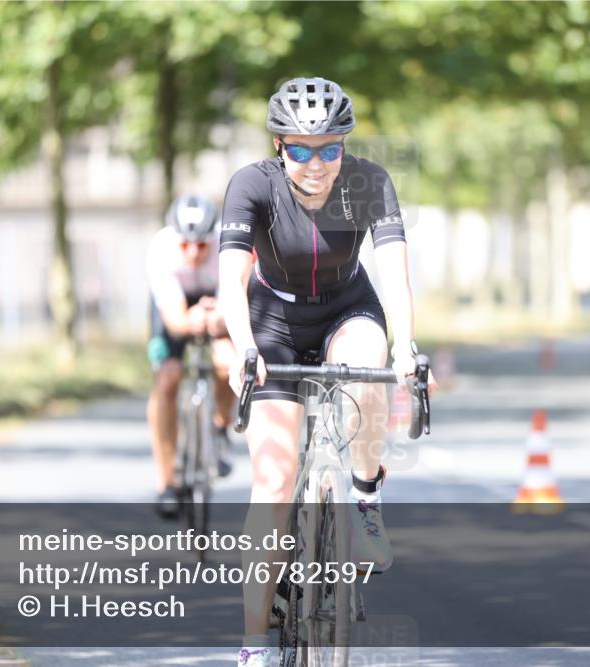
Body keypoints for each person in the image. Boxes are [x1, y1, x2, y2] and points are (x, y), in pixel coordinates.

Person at [219, 77, 434, 667]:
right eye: (300, 149)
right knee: (272, 480)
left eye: (330, 149)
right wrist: (243, 348)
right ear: (278, 145)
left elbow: (395, 276)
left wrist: (407, 348)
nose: (316, 164)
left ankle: (363, 497)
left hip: (348, 307)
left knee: (368, 368)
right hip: (273, 324)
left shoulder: (369, 183)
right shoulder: (250, 186)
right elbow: (231, 281)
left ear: (345, 145)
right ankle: (255, 642)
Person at [146, 194, 235, 519]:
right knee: (168, 378)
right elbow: (173, 319)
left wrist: (218, 320)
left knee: (227, 364)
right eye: (186, 244)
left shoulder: (229, 245)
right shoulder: (161, 249)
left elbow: (234, 306)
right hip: (176, 307)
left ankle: (221, 425)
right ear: (175, 238)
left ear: (214, 237)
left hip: (218, 302)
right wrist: (191, 321)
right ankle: (167, 480)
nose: (194, 252)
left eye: (202, 245)